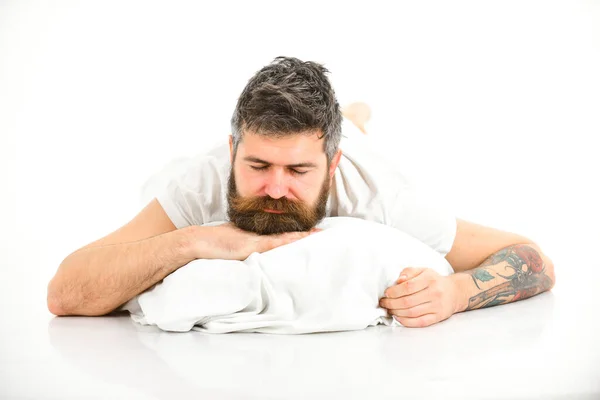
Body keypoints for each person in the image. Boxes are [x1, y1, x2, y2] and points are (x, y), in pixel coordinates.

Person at [47, 57, 555, 328]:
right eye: (257, 164)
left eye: (298, 170)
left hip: (355, 146)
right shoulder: (202, 180)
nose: (274, 188)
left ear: (330, 167)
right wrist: (192, 241)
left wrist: (457, 292)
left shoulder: (377, 193)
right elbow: (64, 293)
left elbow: (533, 259)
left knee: (358, 124)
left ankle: (355, 117)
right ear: (232, 151)